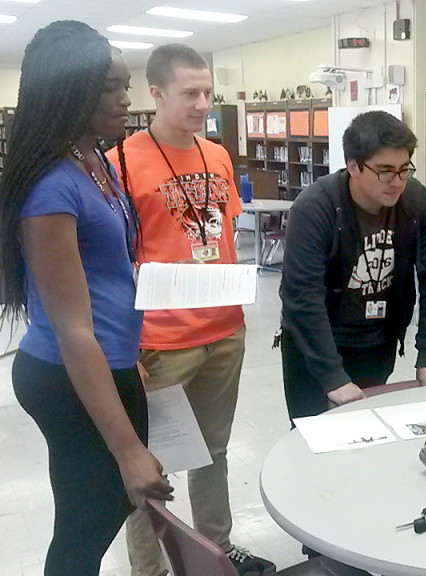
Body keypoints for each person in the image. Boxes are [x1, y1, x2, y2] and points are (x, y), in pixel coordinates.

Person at [0, 21, 173, 576]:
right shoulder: (53, 186)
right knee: (89, 522)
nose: (126, 98)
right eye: (109, 87)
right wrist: (127, 450)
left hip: (105, 359)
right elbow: (73, 326)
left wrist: (130, 350)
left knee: (91, 512)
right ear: (66, 90)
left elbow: (108, 275)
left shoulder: (94, 160)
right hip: (67, 371)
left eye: (126, 83)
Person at [109, 44, 274, 575]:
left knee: (214, 449)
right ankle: (150, 568)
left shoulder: (218, 154)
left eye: (208, 92)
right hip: (159, 338)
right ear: (155, 93)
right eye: (190, 93)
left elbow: (221, 233)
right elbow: (111, 263)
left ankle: (215, 551)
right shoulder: (121, 163)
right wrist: (122, 345)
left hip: (224, 330)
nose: (203, 103)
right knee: (151, 464)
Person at [280, 111, 426, 419]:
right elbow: (302, 296)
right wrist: (333, 376)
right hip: (314, 344)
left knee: (368, 430)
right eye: (385, 171)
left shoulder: (418, 203)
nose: (396, 182)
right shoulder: (315, 207)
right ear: (353, 165)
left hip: (377, 340)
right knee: (312, 436)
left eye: (404, 170)